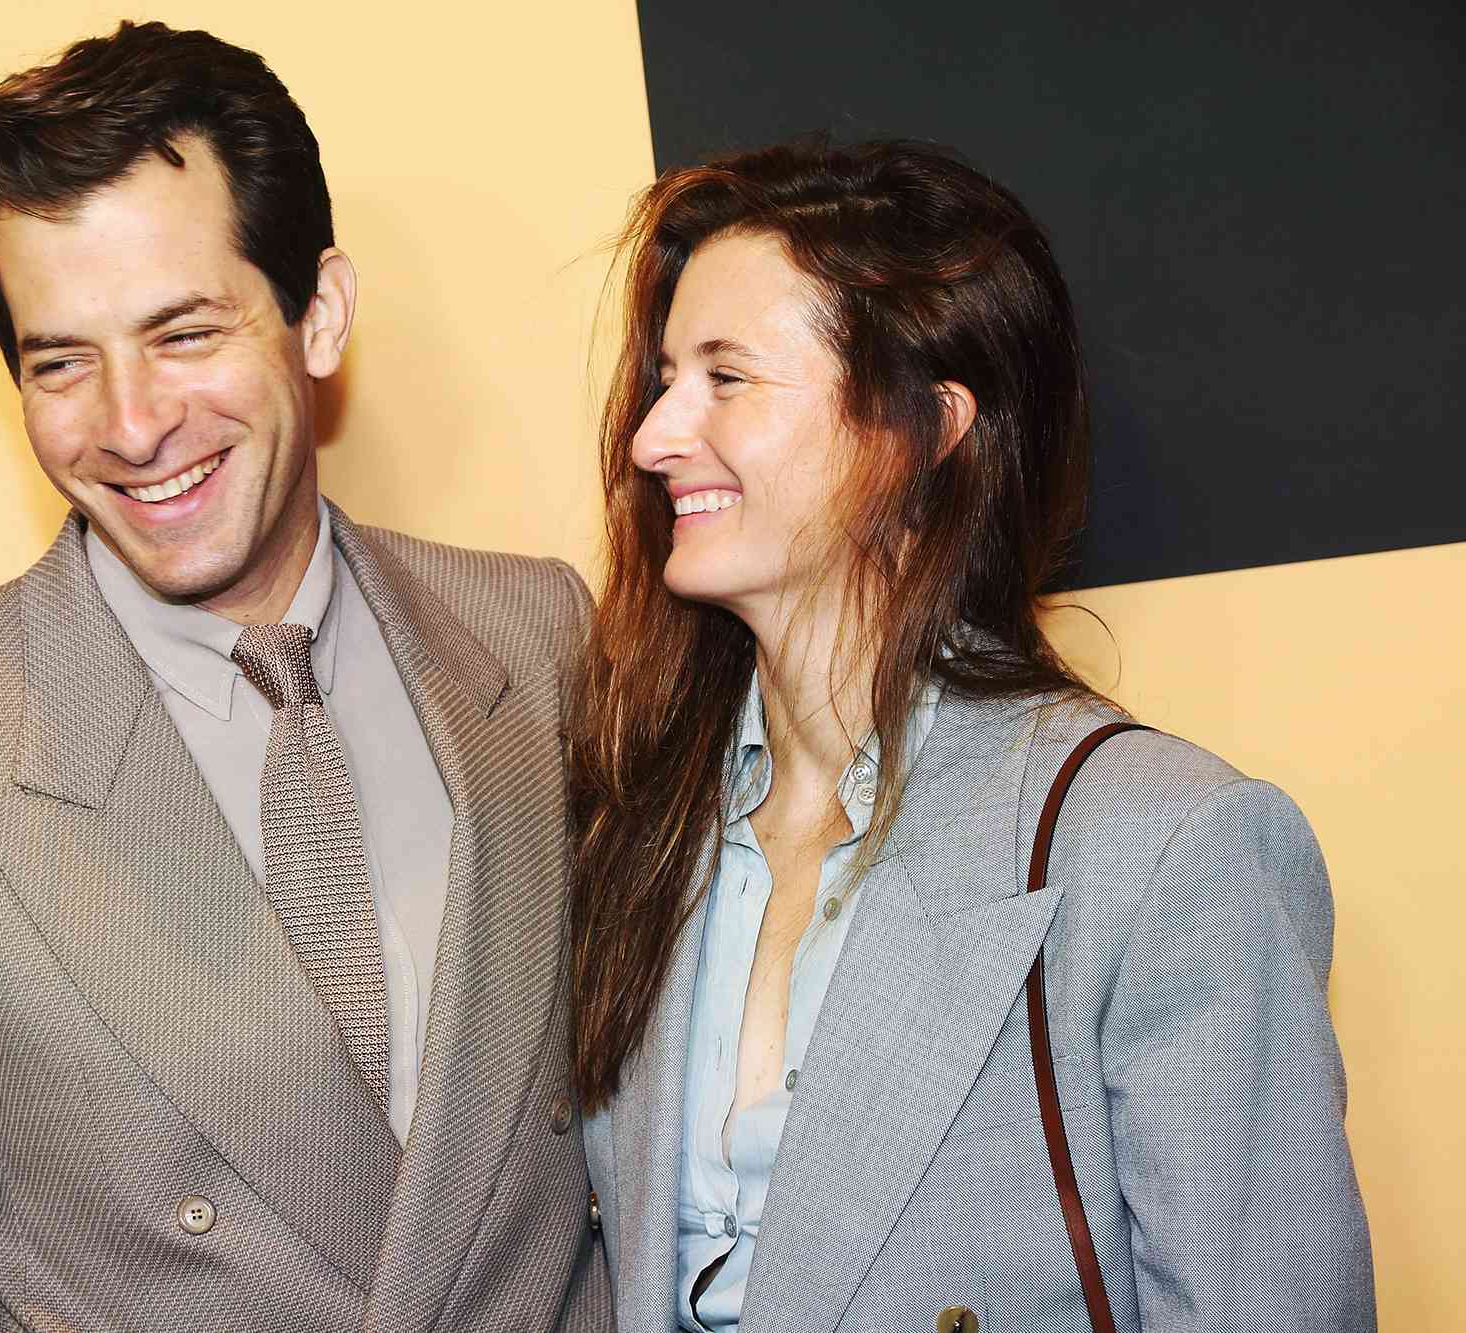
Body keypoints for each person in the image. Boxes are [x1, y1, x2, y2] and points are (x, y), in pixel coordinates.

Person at [0, 21, 610, 1332]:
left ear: (316, 315)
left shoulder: (532, 635)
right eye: (62, 362)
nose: (134, 423)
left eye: (184, 333)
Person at [566, 137, 1375, 1332]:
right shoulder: (634, 824)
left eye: (726, 377)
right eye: (665, 376)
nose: (652, 436)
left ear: (924, 428)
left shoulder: (1161, 845)